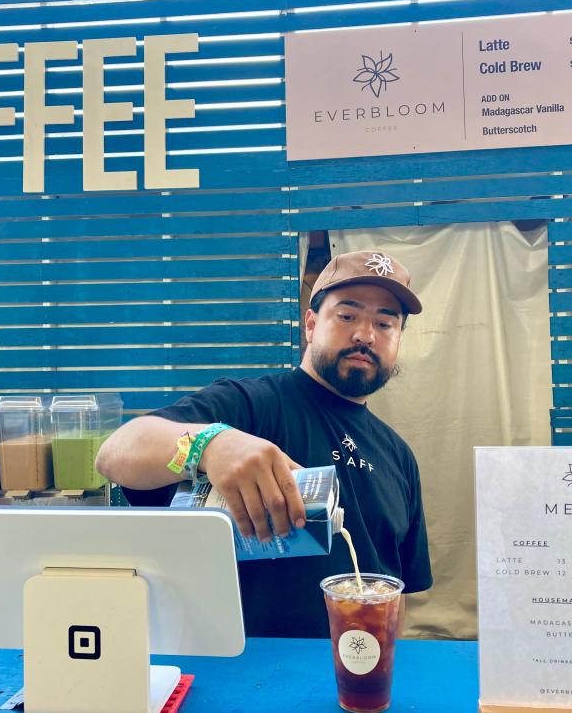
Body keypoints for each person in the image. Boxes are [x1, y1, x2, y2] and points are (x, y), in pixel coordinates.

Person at [95, 250, 432, 638]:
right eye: (347, 315)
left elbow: (396, 585)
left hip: (352, 681)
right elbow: (116, 452)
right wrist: (211, 444)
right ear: (310, 324)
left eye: (385, 323)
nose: (364, 335)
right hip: (243, 678)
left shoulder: (399, 455)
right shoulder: (249, 405)